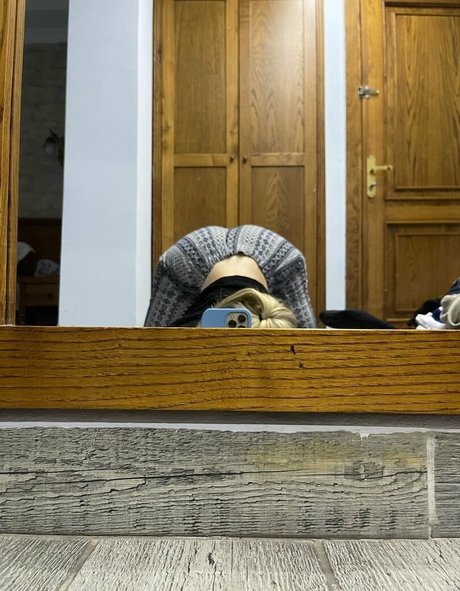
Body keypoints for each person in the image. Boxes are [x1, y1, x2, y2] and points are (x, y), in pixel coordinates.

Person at [144, 225, 316, 328]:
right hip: (187, 266)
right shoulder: (175, 265)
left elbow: (309, 350)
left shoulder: (290, 266)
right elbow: (149, 349)